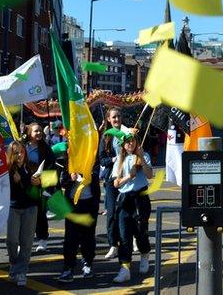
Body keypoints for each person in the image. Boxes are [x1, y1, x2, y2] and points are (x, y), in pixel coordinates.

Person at [111, 131, 152, 284]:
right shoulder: (120, 160)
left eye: (132, 140)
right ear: (122, 144)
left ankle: (145, 253)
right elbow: (116, 183)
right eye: (127, 141)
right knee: (124, 235)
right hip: (124, 199)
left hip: (140, 198)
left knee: (141, 232)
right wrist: (129, 176)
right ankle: (125, 268)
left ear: (136, 141)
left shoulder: (142, 155)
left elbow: (149, 175)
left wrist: (141, 158)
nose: (130, 143)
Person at [57, 151, 100, 283]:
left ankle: (87, 263)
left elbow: (98, 175)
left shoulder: (91, 156)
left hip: (89, 203)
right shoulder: (68, 159)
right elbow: (63, 182)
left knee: (88, 235)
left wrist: (88, 175)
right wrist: (71, 178)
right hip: (72, 205)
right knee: (70, 237)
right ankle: (68, 267)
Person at [7, 140, 40, 287]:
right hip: (13, 207)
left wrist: (38, 182)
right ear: (11, 155)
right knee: (12, 241)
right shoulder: (8, 170)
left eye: (21, 151)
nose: (19, 155)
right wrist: (12, 179)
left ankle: (21, 272)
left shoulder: (31, 166)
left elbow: (43, 183)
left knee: (26, 243)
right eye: (15, 153)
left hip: (30, 207)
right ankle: (14, 264)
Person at [25, 123, 55, 253]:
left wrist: (43, 181)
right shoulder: (23, 147)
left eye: (40, 131)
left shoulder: (45, 148)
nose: (38, 133)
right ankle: (24, 241)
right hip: (25, 186)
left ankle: (42, 239)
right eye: (35, 131)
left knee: (40, 214)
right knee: (25, 215)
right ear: (29, 133)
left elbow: (51, 166)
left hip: (39, 186)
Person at [100, 108, 125, 259]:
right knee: (111, 213)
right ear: (109, 119)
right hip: (111, 179)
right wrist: (113, 160)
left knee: (128, 212)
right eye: (114, 117)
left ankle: (131, 240)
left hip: (127, 178)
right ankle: (113, 245)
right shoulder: (106, 137)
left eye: (119, 116)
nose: (117, 119)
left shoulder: (128, 133)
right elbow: (102, 159)